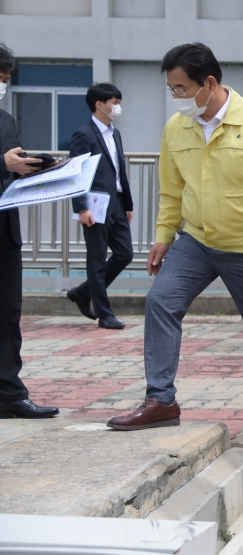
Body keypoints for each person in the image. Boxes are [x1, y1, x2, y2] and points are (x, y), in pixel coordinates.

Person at [107, 43, 243, 452]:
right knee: (160, 302)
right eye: (171, 89)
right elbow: (172, 190)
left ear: (209, 83)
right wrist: (163, 235)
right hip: (196, 242)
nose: (176, 96)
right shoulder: (177, 127)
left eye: (181, 88)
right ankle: (160, 400)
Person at [0, 42, 59, 420]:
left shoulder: (6, 119)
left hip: (5, 230)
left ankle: (9, 393)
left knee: (8, 312)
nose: (2, 85)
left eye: (4, 80)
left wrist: (36, 171)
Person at [66, 83, 134, 329]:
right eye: (114, 102)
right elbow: (76, 174)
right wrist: (81, 208)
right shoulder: (83, 135)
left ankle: (82, 293)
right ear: (99, 104)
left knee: (125, 254)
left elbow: (119, 171)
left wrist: (127, 202)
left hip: (116, 202)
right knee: (96, 259)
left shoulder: (114, 133)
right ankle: (105, 314)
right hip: (94, 204)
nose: (117, 107)